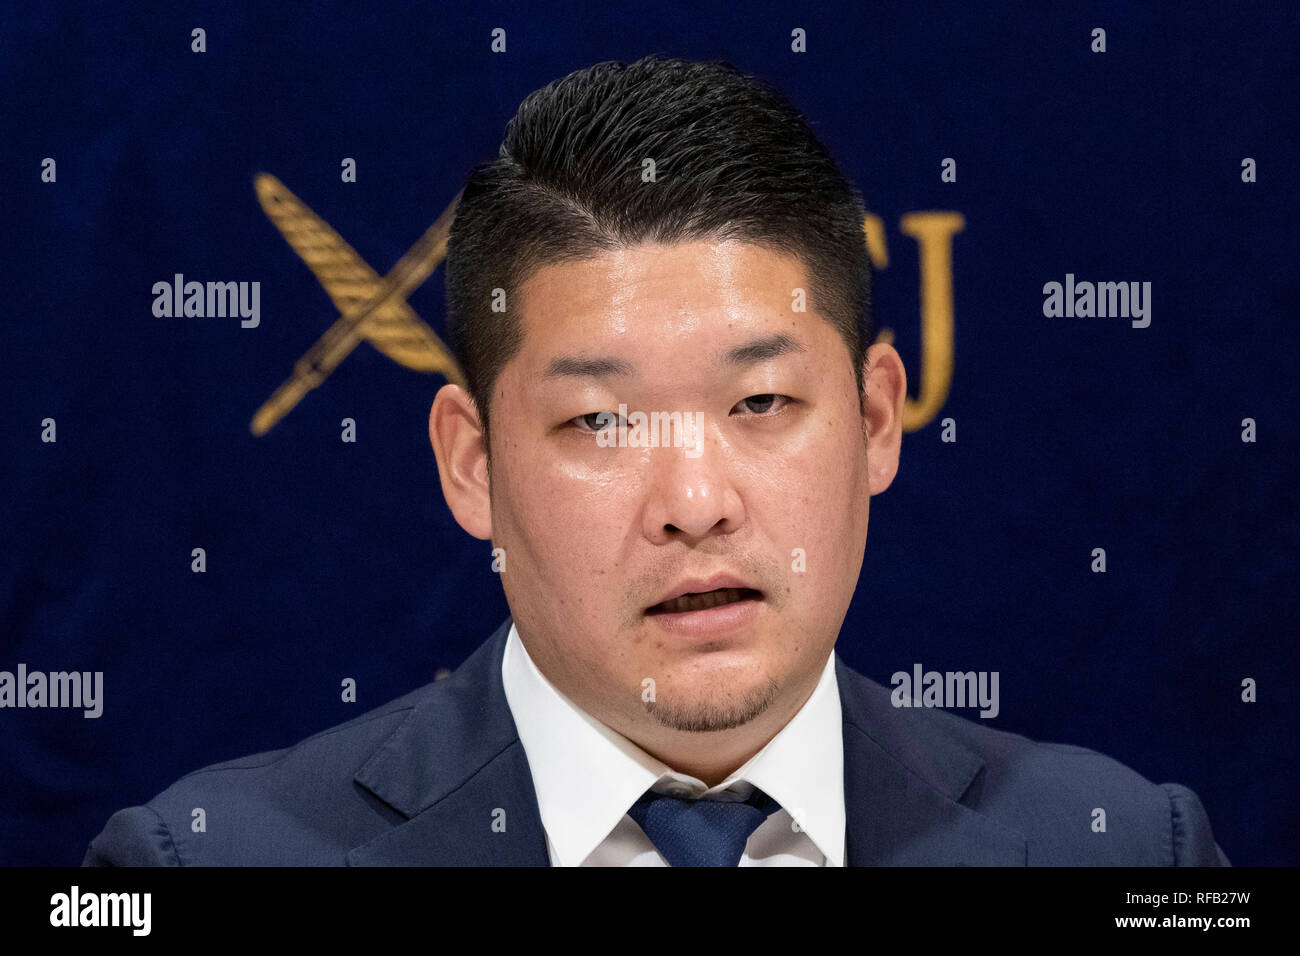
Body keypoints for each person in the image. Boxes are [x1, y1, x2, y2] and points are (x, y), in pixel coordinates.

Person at [83, 55, 1229, 866]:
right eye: (598, 422)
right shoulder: (203, 861)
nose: (694, 502)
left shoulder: (1129, 846)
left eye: (763, 400)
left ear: (878, 419)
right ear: (471, 463)